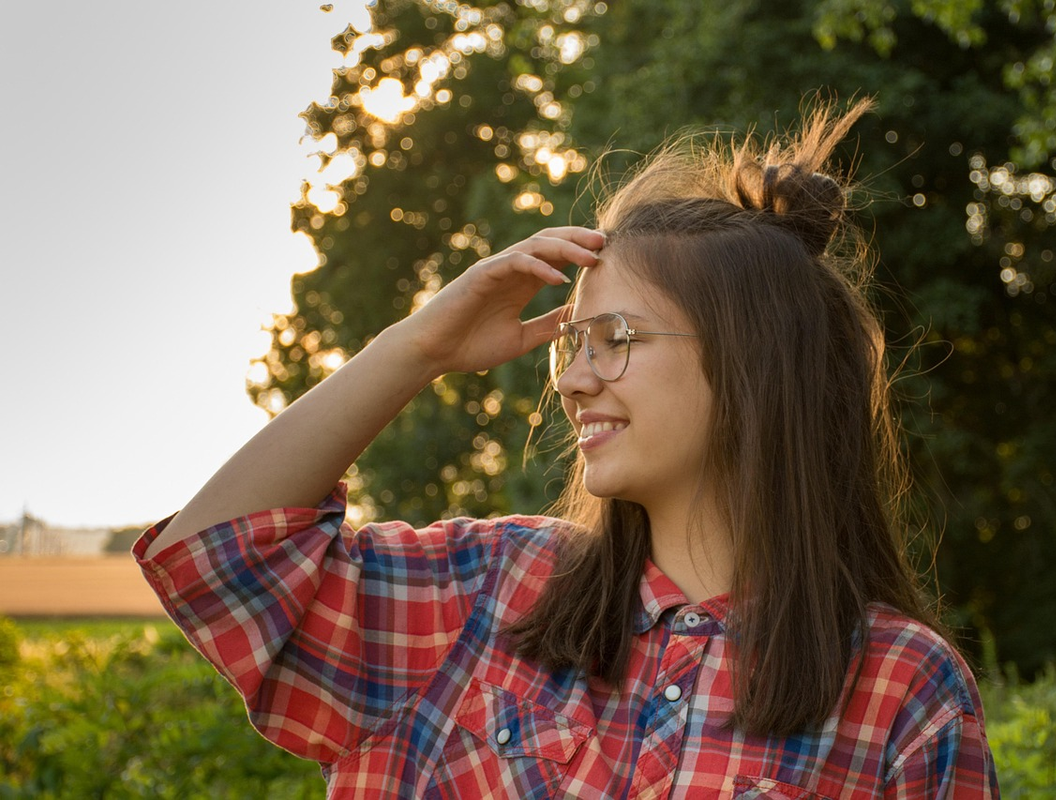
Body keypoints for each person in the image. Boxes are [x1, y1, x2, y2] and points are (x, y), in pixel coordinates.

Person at [135, 100, 999, 798]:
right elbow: (220, 564)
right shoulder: (487, 590)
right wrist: (420, 346)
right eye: (571, 343)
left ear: (752, 366)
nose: (575, 380)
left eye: (614, 337)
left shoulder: (901, 690)